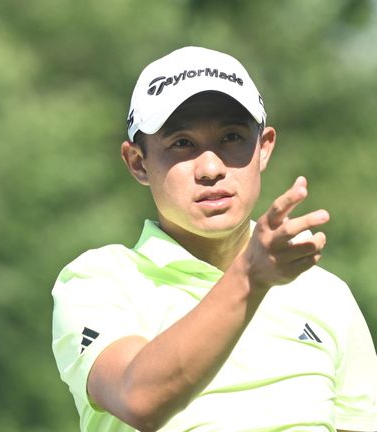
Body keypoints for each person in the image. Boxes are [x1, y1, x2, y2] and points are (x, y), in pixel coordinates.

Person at [52, 46, 377, 431]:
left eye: (232, 137)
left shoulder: (326, 294)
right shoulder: (97, 281)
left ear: (264, 148)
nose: (210, 168)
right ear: (138, 162)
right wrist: (250, 277)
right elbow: (137, 399)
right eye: (182, 143)